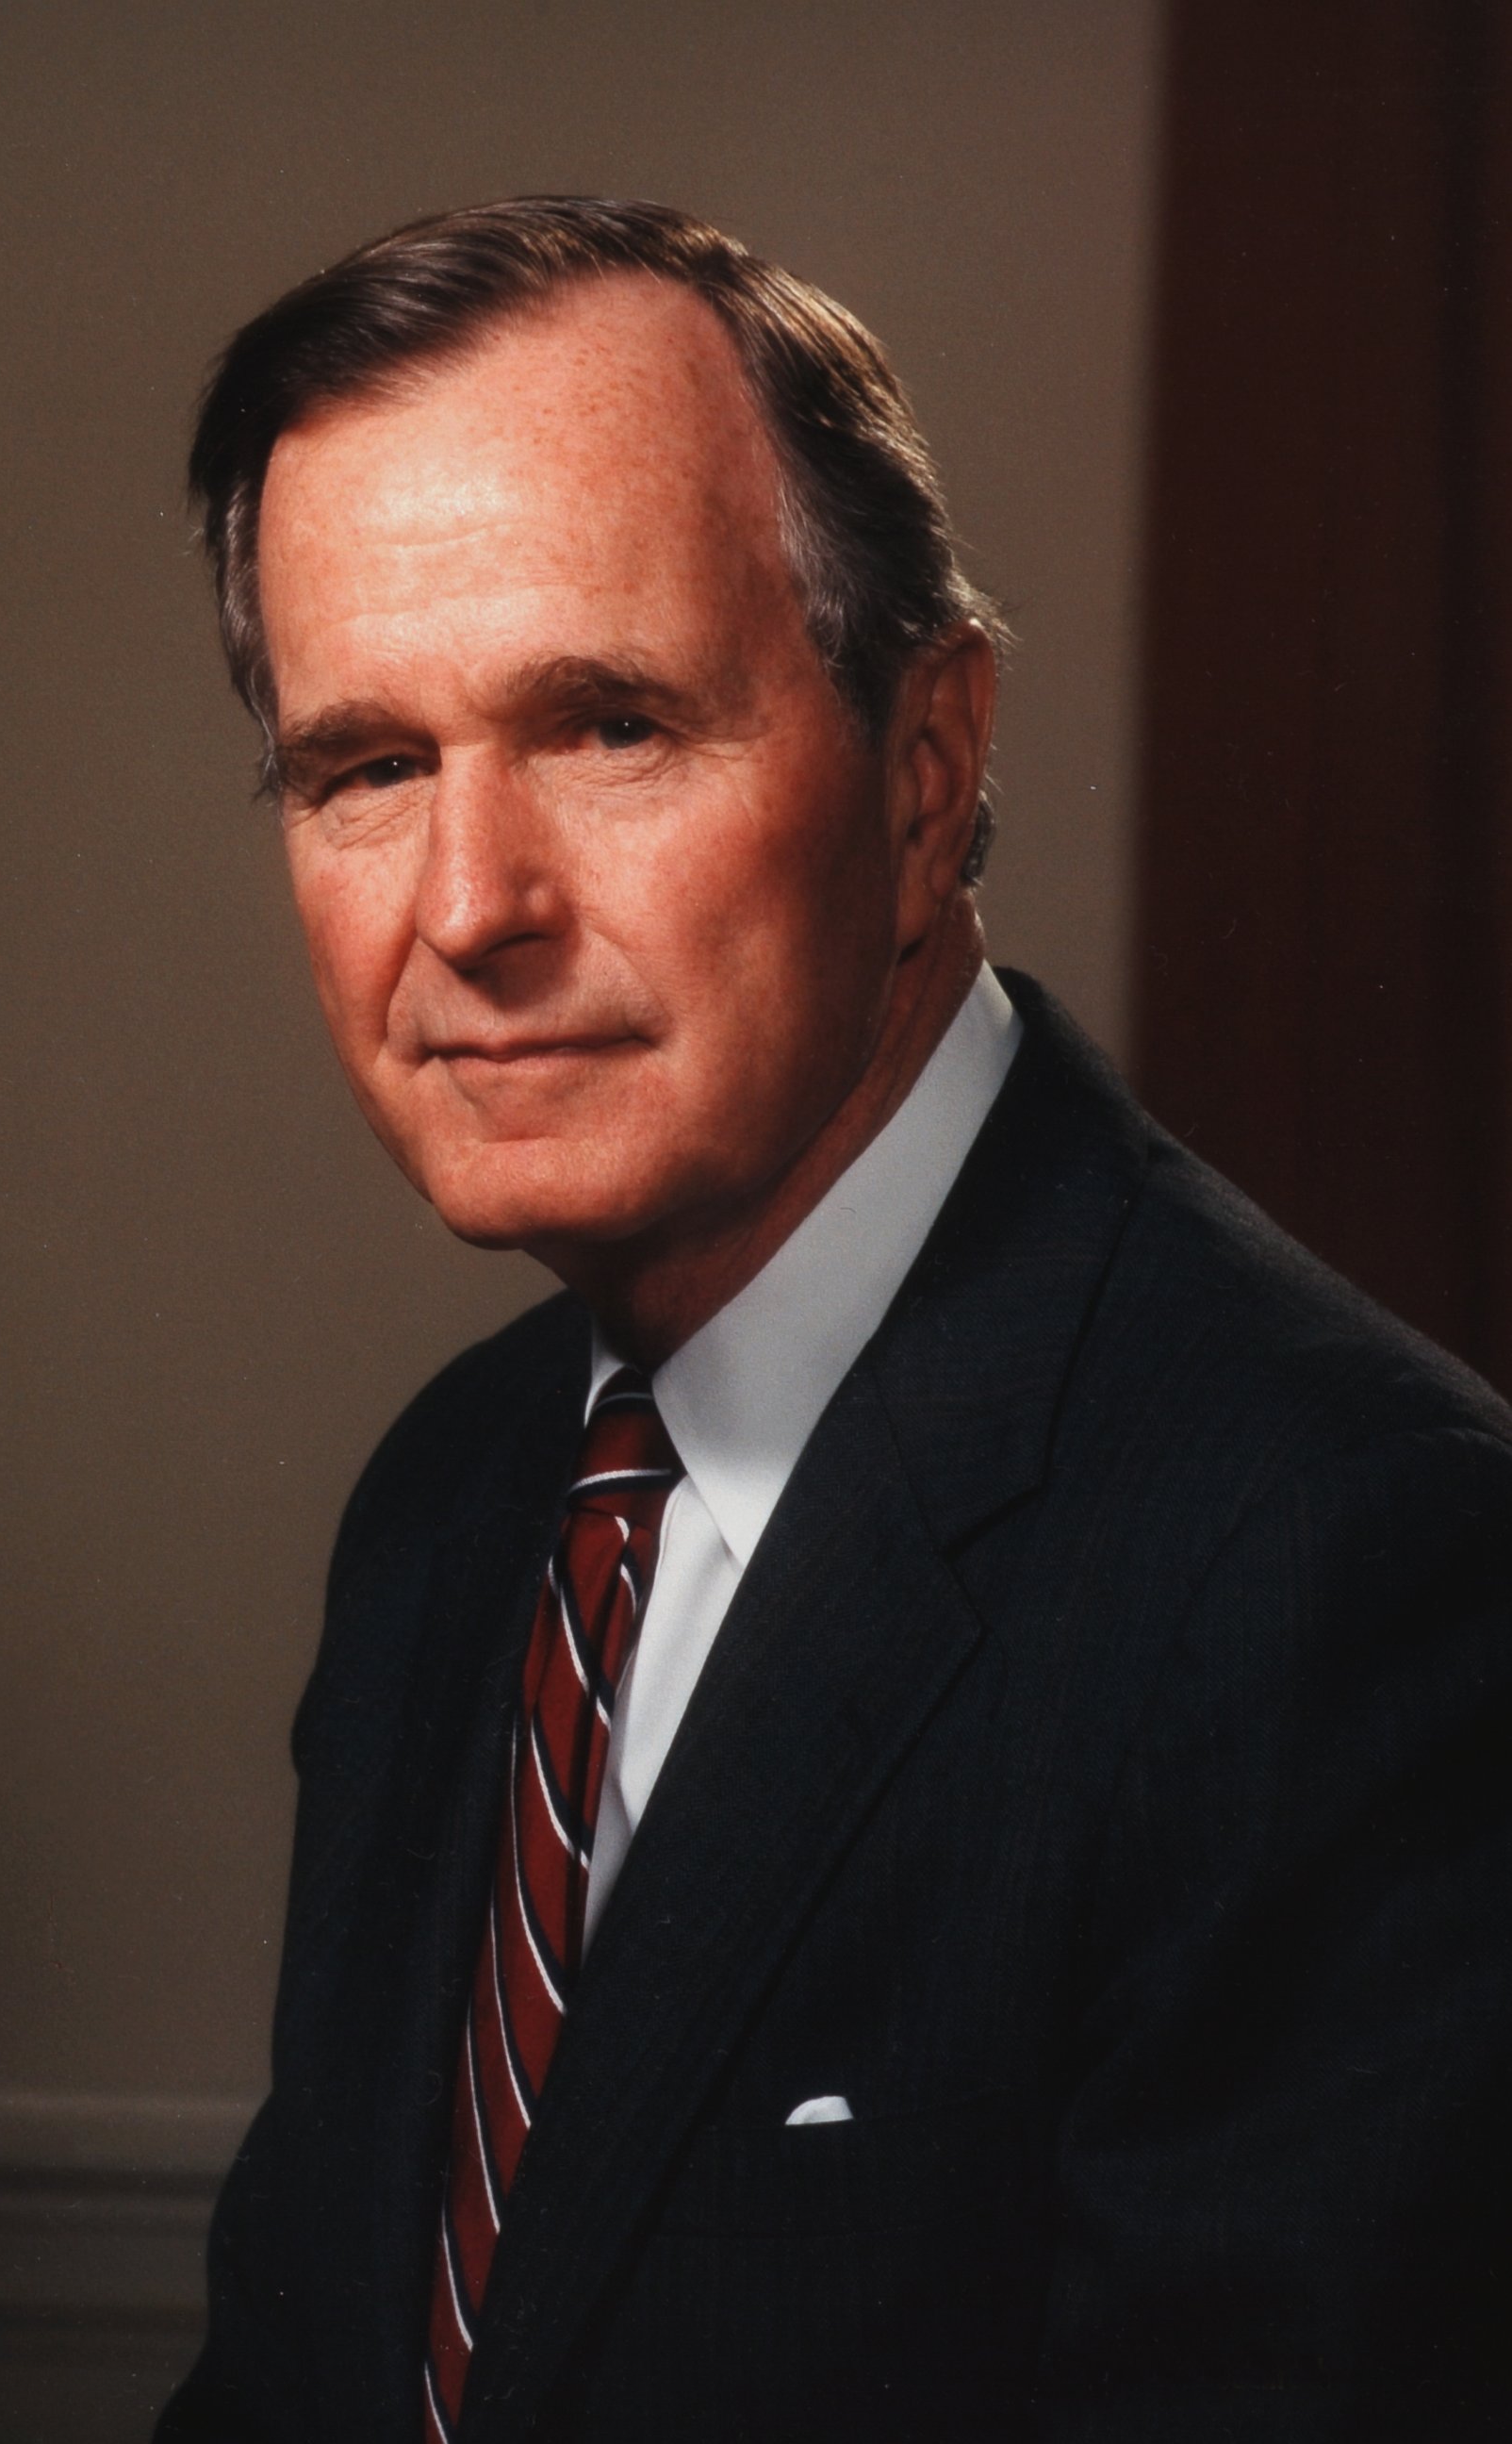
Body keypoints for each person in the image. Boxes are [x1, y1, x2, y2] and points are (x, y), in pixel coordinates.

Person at [157, 198, 1512, 2443]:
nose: (470, 908)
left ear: (924, 771)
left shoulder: (1358, 1574)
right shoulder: (454, 1502)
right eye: (367, 768)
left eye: (607, 724)